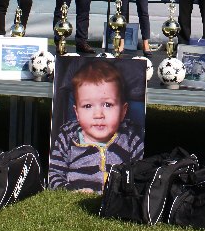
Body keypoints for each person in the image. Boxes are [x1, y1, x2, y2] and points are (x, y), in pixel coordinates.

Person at [48, 59, 143, 192]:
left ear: (123, 111)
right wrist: (70, 191)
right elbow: (53, 175)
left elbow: (141, 175)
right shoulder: (67, 138)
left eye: (107, 105)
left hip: (114, 199)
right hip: (77, 196)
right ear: (77, 113)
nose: (98, 114)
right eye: (88, 106)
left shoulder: (130, 140)